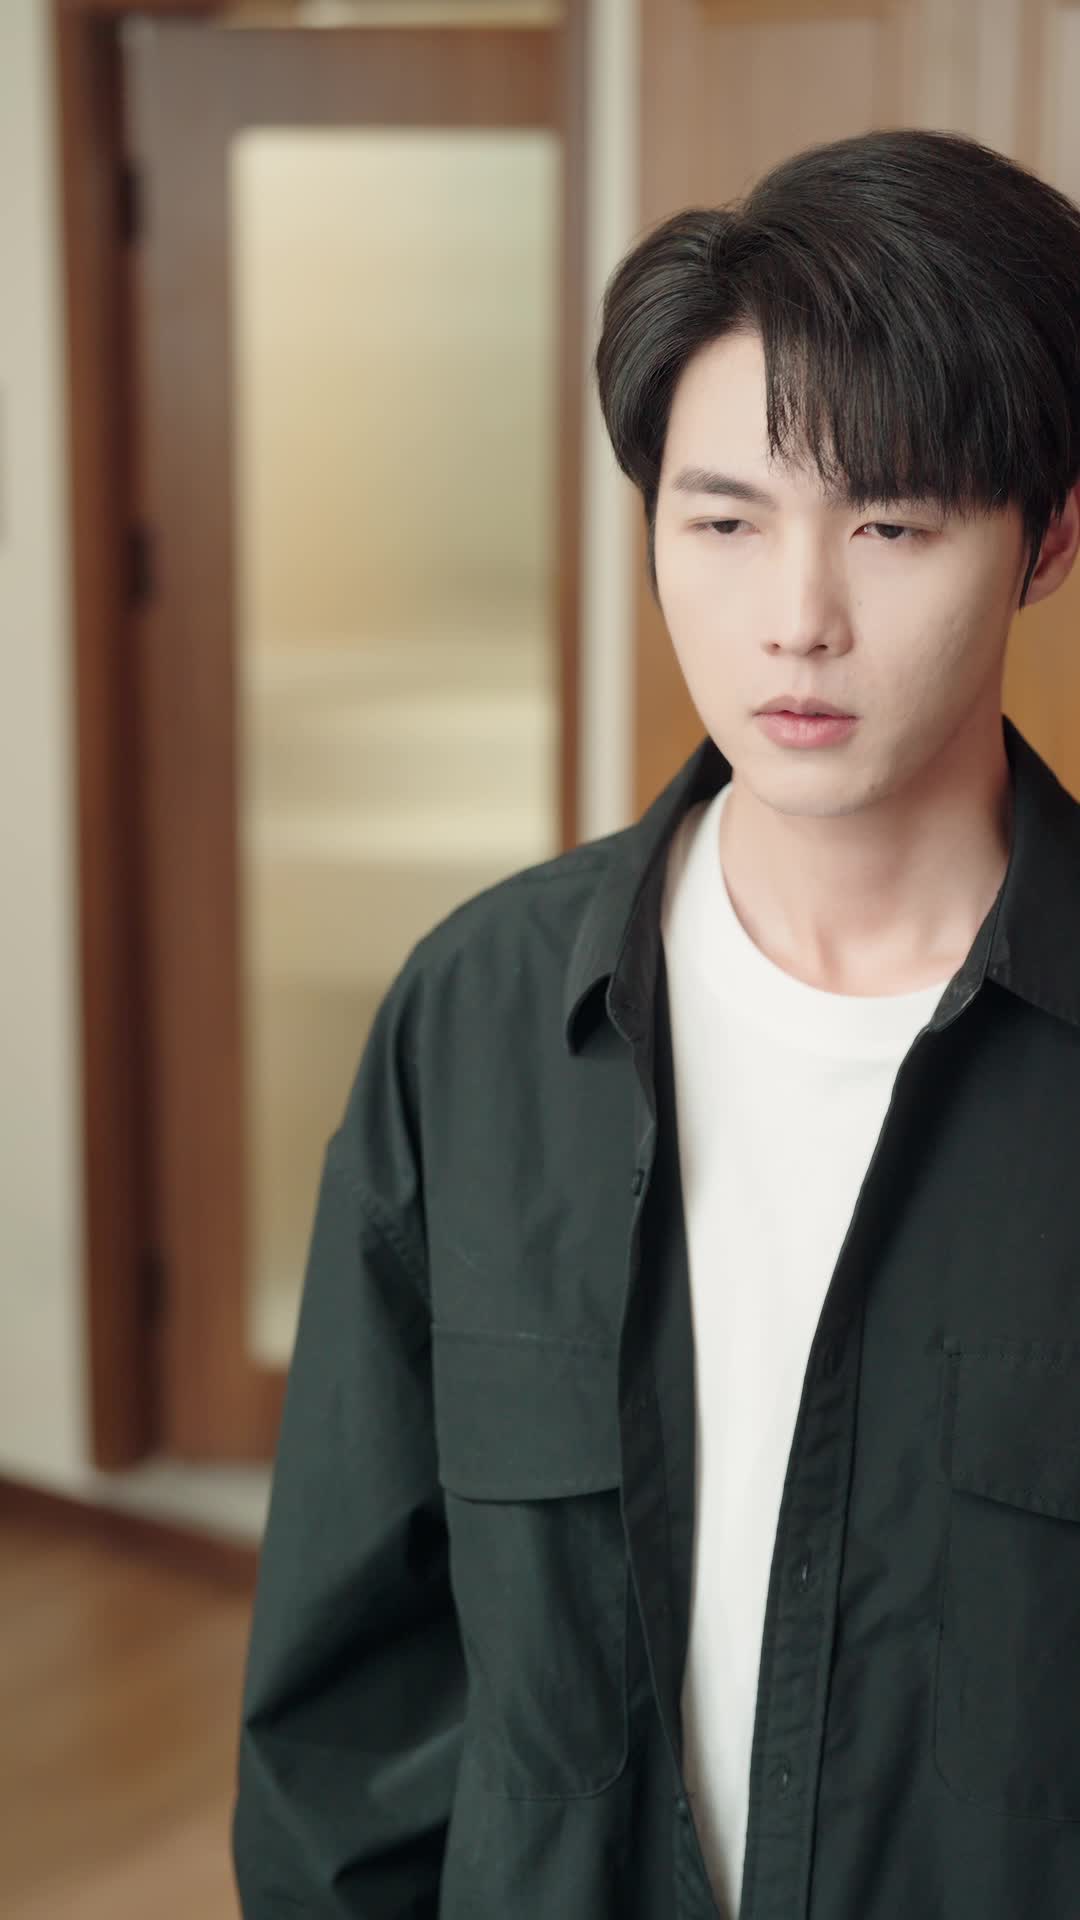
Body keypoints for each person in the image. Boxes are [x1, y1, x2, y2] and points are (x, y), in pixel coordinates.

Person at [231, 126, 1080, 1919]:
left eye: (891, 523)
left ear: (1047, 539)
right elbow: (349, 1709)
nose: (798, 621)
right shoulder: (479, 1018)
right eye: (724, 521)